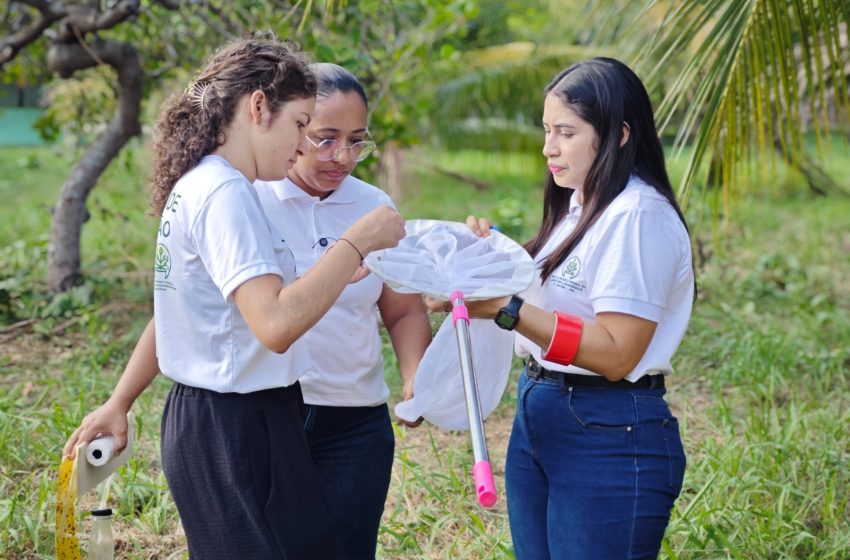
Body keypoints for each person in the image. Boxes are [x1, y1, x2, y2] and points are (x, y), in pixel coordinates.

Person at [62, 37, 405, 560]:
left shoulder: (205, 185)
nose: (301, 145)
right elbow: (274, 323)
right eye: (301, 126)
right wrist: (354, 242)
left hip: (234, 418)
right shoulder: (226, 195)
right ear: (259, 106)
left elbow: (199, 312)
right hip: (235, 423)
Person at [443, 58, 693, 559]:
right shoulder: (580, 206)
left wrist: (505, 307)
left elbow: (618, 353)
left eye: (565, 132)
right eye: (546, 130)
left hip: (607, 432)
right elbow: (562, 299)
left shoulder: (636, 216)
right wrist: (491, 262)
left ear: (619, 135)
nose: (548, 148)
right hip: (543, 409)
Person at [253, 63, 431, 560]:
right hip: (269, 414)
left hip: (355, 422)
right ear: (295, 126)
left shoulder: (373, 208)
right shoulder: (251, 199)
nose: (343, 157)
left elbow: (402, 310)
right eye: (326, 139)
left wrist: (414, 376)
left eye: (357, 140)